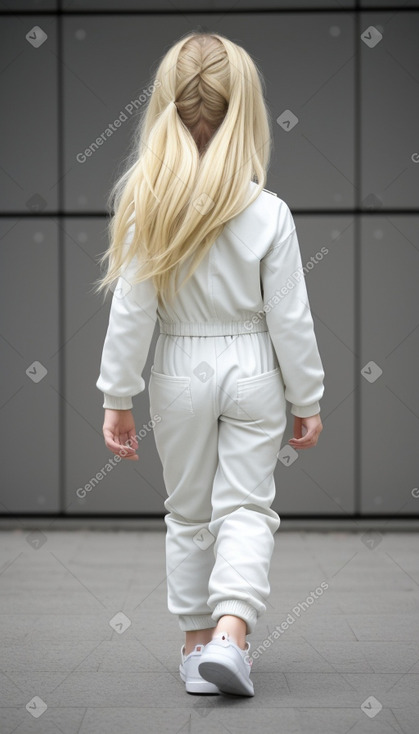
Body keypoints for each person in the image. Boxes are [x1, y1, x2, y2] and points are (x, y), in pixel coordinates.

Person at [94, 31, 325, 697]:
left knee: (188, 511)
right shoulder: (268, 213)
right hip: (253, 366)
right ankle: (232, 634)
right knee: (247, 508)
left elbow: (132, 313)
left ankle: (196, 649)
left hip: (177, 369)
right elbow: (290, 318)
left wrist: (117, 395)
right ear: (244, 111)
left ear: (164, 106)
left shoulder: (147, 207)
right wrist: (306, 399)